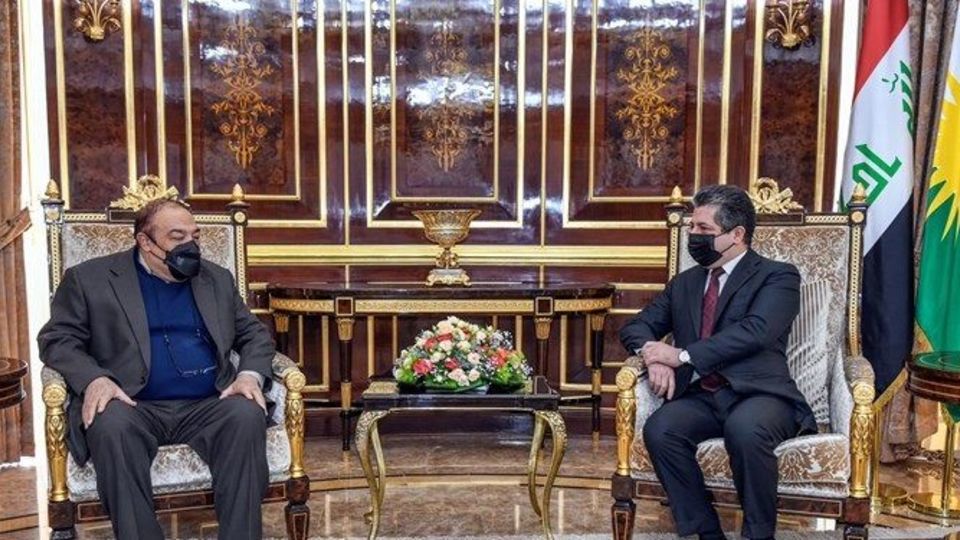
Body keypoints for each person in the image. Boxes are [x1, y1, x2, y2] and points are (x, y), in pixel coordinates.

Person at [38, 198, 275, 540]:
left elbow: (254, 334)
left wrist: (248, 375)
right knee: (110, 424)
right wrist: (94, 379)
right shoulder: (90, 279)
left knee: (246, 414)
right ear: (145, 242)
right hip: (132, 404)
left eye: (195, 236)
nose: (190, 246)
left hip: (207, 404)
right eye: (177, 237)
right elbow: (57, 339)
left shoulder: (216, 278)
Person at [620, 185, 816, 540]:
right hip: (702, 396)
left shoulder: (777, 276)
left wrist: (681, 355)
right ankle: (707, 533)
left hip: (761, 395)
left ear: (737, 234)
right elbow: (637, 326)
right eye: (692, 227)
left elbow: (757, 331)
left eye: (703, 229)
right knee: (661, 429)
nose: (693, 236)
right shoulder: (684, 284)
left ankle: (759, 535)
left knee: (745, 430)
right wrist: (653, 355)